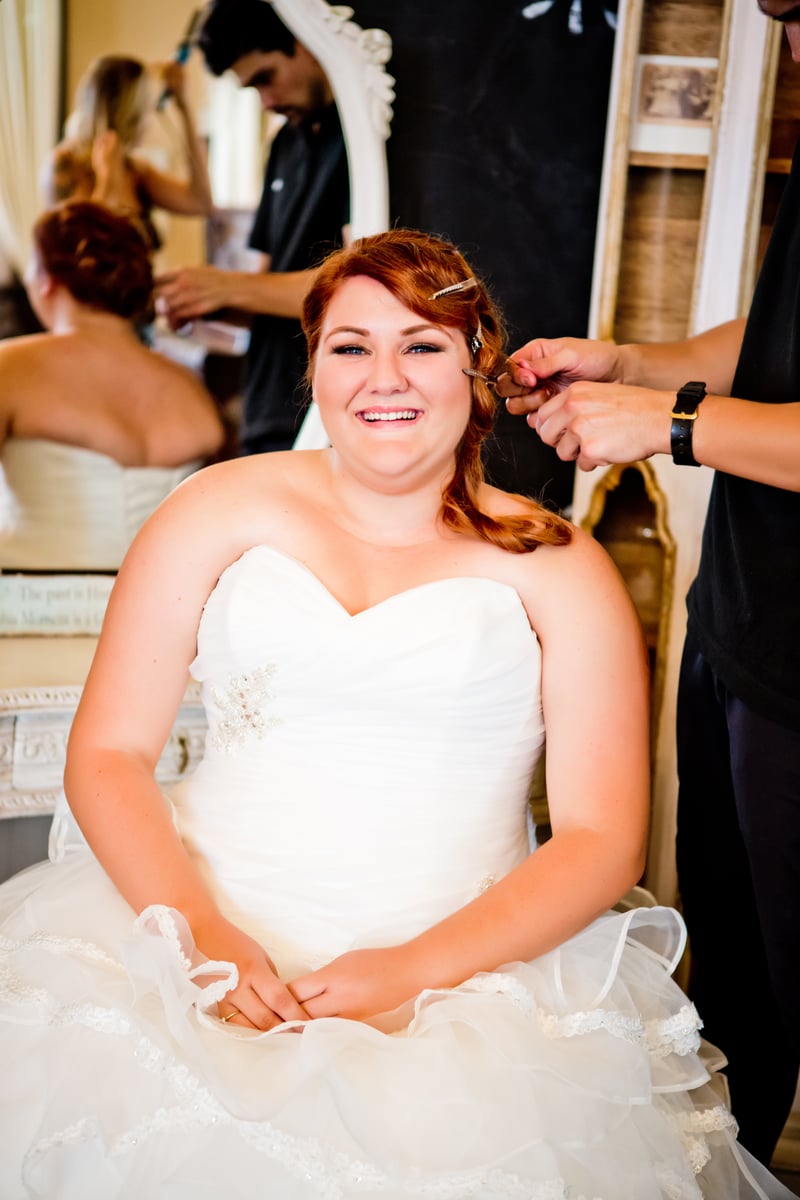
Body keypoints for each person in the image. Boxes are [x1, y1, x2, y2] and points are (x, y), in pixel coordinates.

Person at [0, 227, 792, 1199]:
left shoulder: (559, 566)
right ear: (314, 370)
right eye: (351, 346)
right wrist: (196, 934)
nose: (385, 377)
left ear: (478, 369)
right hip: (193, 942)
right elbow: (110, 752)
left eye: (421, 344)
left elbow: (600, 840)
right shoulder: (211, 509)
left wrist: (412, 971)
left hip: (462, 987)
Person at [496, 0, 800, 1169]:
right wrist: (633, 363)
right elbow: (773, 336)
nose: (787, 49)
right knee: (731, 991)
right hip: (740, 625)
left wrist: (669, 425)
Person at [156, 0, 350, 454]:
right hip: (264, 403)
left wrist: (228, 286)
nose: (268, 101)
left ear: (308, 42)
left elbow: (359, 289)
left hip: (319, 410)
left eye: (267, 77)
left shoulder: (359, 143)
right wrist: (210, 302)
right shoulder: (284, 146)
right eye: (253, 88)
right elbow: (267, 288)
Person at [0, 201, 224, 569]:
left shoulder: (11, 366)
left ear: (47, 279)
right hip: (168, 602)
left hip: (28, 597)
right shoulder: (190, 387)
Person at [42, 53, 213, 252]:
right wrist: (108, 183)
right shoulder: (63, 167)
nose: (148, 123)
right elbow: (76, 252)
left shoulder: (136, 170)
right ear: (128, 115)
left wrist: (184, 107)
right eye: (145, 111)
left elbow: (201, 203)